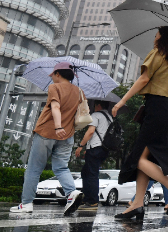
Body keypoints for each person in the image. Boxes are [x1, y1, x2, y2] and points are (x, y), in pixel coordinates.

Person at [111, 26, 168, 220]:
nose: (154, 38)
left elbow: (144, 78)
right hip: (167, 111)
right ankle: (137, 204)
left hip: (156, 109)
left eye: (156, 34)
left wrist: (122, 101)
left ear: (162, 38)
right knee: (146, 159)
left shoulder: (158, 53)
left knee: (138, 158)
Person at [10, 62, 84, 215]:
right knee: (61, 167)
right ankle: (71, 193)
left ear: (58, 74)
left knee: (33, 170)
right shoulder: (78, 91)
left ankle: (26, 204)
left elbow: (55, 107)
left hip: (48, 132)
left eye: (52, 74)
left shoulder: (54, 88)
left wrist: (58, 126)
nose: (51, 77)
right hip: (68, 135)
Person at [75, 100, 112, 210]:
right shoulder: (109, 117)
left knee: (91, 174)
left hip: (95, 148)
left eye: (95, 105)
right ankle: (87, 198)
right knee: (86, 172)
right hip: (103, 149)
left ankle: (92, 201)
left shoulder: (96, 115)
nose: (93, 107)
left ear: (99, 105)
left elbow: (91, 131)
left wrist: (81, 145)